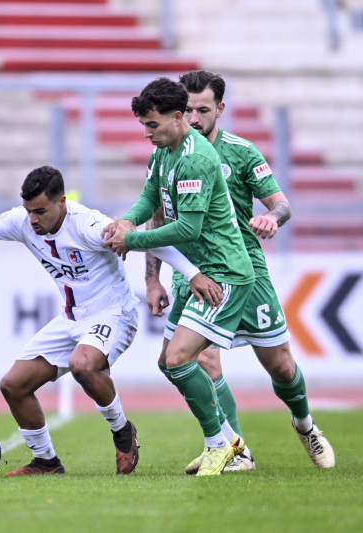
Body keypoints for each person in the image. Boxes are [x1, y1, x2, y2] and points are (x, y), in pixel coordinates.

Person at [0, 165, 220, 476]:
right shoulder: (24, 222)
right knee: (13, 385)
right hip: (70, 319)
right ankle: (46, 461)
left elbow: (148, 240)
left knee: (82, 364)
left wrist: (192, 274)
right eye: (29, 211)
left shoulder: (88, 225)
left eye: (40, 211)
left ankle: (123, 431)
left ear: (61, 202)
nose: (32, 219)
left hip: (114, 314)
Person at [143, 70, 335, 472]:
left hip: (241, 268)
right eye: (188, 110)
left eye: (203, 110)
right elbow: (158, 214)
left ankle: (305, 424)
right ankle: (234, 448)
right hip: (192, 272)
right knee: (199, 360)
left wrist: (272, 219)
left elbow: (281, 204)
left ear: (220, 109)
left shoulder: (241, 152)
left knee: (280, 365)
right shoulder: (164, 151)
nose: (194, 118)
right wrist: (152, 277)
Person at [102, 78, 255, 476]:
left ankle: (224, 445)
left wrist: (131, 240)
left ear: (176, 117)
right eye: (143, 126)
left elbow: (186, 227)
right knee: (168, 364)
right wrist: (126, 220)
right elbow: (150, 198)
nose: (147, 133)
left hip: (225, 275)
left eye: (152, 125)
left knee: (180, 357)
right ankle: (221, 443)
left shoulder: (196, 158)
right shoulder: (163, 152)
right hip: (196, 274)